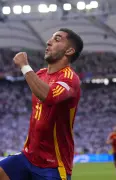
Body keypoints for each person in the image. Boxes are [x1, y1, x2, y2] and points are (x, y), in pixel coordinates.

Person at [0, 28, 83, 180]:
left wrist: (25, 66)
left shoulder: (70, 79)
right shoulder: (40, 75)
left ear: (69, 50)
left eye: (57, 39)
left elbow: (49, 96)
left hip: (54, 165)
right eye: (51, 38)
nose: (48, 41)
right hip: (28, 157)